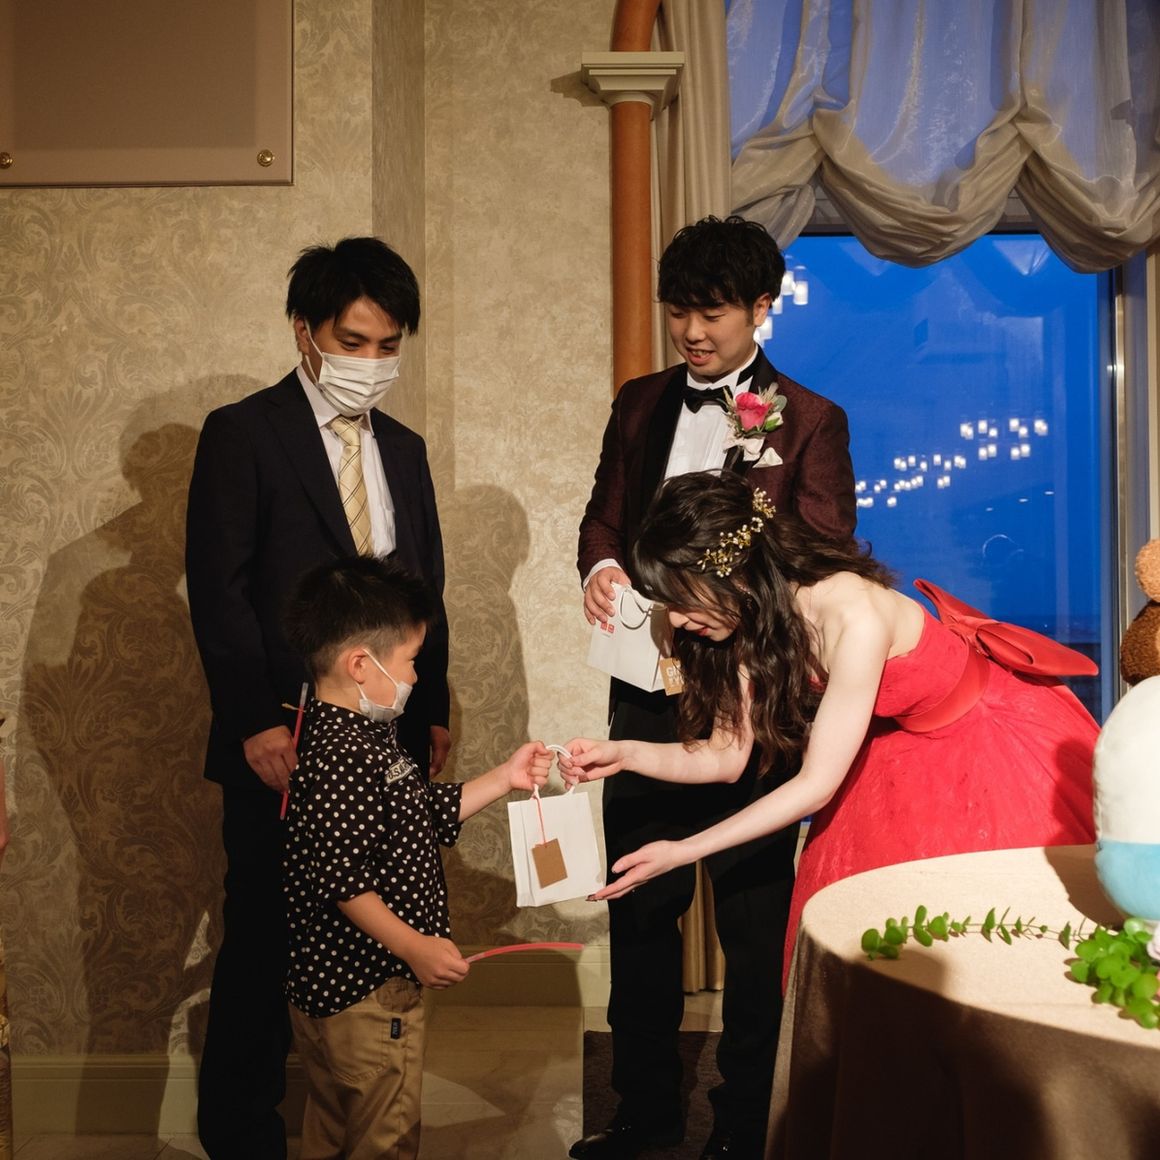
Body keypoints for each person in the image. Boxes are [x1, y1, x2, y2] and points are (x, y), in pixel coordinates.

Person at [563, 472, 1098, 991]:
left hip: (982, 743)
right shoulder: (754, 622)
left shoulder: (853, 614)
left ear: (734, 571)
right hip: (897, 745)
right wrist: (625, 753)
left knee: (985, 935)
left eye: (683, 600)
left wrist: (682, 850)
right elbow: (725, 758)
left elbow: (816, 786)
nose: (678, 622)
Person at [575, 216, 856, 1159]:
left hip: (757, 706)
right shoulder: (639, 402)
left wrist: (715, 587)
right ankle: (642, 1115)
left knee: (753, 928)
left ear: (761, 308)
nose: (691, 333)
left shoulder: (809, 419)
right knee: (638, 914)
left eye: (713, 314)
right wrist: (603, 571)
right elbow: (604, 517)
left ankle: (742, 1128)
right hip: (644, 698)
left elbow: (821, 552)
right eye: (678, 312)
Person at [185, 237, 450, 1159]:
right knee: (264, 935)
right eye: (354, 341)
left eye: (389, 346)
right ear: (306, 332)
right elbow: (219, 591)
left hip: (388, 736)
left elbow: (425, 592)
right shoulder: (244, 433)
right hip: (283, 735)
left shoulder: (404, 449)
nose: (372, 362)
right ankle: (242, 1136)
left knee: (373, 933)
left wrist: (433, 707)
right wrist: (254, 719)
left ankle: (350, 1120)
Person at [280, 555, 550, 1159]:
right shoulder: (341, 756)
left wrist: (504, 778)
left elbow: (417, 810)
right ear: (360, 665)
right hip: (367, 992)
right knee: (385, 1133)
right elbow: (345, 882)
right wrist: (414, 947)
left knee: (334, 1126)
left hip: (347, 990)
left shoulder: (361, 735)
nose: (414, 676)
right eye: (409, 661)